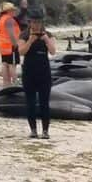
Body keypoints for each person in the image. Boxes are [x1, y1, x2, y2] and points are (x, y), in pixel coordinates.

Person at [18, 9, 56, 139]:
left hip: (44, 71)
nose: (36, 25)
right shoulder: (24, 34)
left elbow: (53, 51)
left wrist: (46, 39)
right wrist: (30, 41)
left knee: (45, 102)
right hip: (29, 71)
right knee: (30, 102)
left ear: (42, 22)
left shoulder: (48, 35)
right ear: (30, 22)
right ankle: (33, 130)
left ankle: (45, 131)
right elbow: (21, 52)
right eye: (34, 22)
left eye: (39, 22)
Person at [0, 2, 21, 86]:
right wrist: (15, 44)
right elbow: (11, 34)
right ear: (9, 11)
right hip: (11, 46)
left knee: (5, 63)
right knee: (12, 65)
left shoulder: (2, 19)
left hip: (3, 46)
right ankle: (15, 82)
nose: (14, 12)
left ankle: (6, 82)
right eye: (13, 10)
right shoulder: (9, 19)